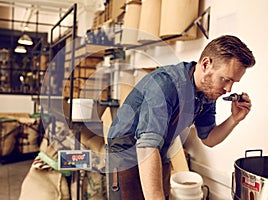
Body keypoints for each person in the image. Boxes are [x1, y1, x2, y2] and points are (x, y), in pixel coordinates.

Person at [106, 35, 255, 200]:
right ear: (206, 64)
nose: (228, 89)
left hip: (158, 151)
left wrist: (234, 119)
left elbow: (209, 139)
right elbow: (147, 147)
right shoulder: (165, 85)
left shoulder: (207, 94)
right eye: (226, 79)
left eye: (234, 82)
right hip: (127, 154)